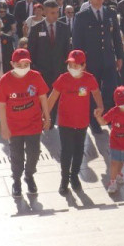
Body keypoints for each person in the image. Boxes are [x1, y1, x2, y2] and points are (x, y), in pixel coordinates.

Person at [0, 48, 51, 201]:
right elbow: (1, 105)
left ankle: (29, 175)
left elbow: (43, 97)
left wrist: (47, 116)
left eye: (26, 64)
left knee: (34, 153)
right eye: (20, 64)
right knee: (16, 155)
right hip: (14, 126)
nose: (24, 68)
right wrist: (4, 127)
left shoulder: (36, 77)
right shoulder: (5, 80)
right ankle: (16, 181)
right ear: (12, 64)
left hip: (33, 123)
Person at [47, 50, 103, 195]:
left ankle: (74, 176)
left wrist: (100, 106)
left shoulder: (89, 79)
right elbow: (52, 97)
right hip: (65, 122)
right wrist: (45, 116)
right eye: (70, 64)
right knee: (67, 151)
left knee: (79, 151)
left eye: (76, 65)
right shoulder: (63, 79)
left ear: (84, 65)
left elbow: (96, 92)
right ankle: (64, 180)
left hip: (82, 122)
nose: (72, 67)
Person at [72, 0, 124, 132]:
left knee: (110, 90)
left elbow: (116, 36)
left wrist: (119, 56)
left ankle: (107, 118)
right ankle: (94, 122)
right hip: (90, 61)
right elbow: (77, 41)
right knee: (90, 92)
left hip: (108, 59)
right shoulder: (82, 16)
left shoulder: (110, 13)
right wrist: (80, 63)